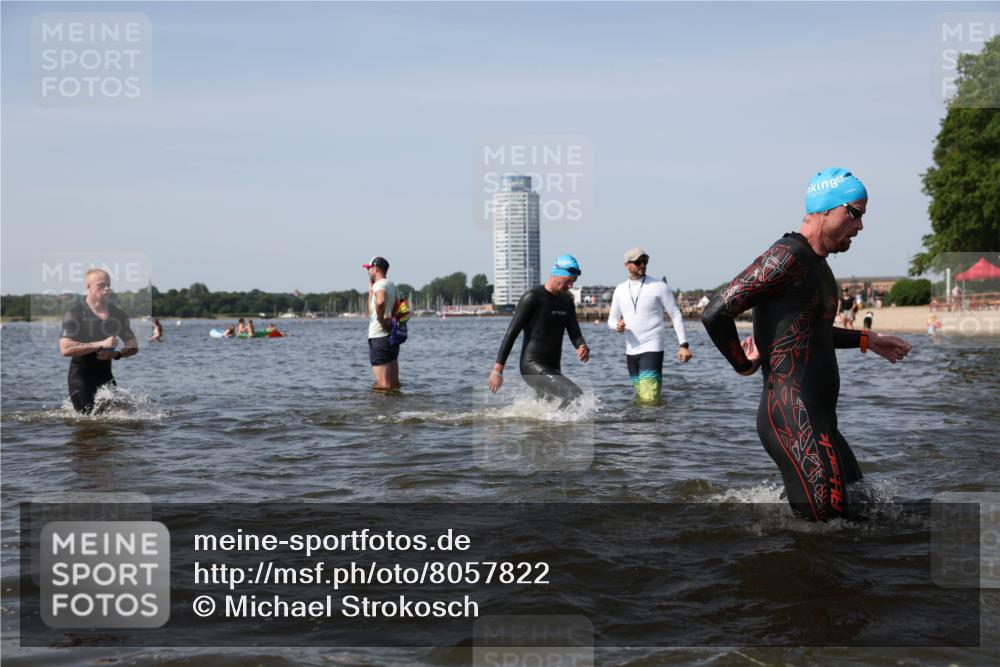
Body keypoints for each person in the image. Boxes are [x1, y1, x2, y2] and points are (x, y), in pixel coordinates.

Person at [702, 167, 912, 522]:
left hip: (820, 419)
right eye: (855, 213)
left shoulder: (817, 265)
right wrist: (743, 365)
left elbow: (811, 331)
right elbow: (715, 312)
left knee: (863, 508)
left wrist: (867, 340)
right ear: (825, 210)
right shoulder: (787, 256)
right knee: (826, 532)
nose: (860, 226)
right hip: (792, 418)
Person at [488, 254, 590, 408]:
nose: (570, 286)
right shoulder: (532, 298)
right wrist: (497, 370)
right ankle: (560, 427)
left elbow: (574, 332)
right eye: (568, 281)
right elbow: (511, 334)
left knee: (544, 410)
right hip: (531, 365)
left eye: (573, 282)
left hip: (553, 366)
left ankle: (544, 428)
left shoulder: (567, 301)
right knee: (574, 395)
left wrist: (581, 345)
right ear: (556, 274)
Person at [608, 247, 691, 402]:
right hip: (631, 351)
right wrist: (616, 326)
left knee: (649, 398)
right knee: (642, 397)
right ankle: (644, 425)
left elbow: (675, 314)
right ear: (626, 265)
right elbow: (611, 319)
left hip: (652, 348)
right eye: (638, 262)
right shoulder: (620, 289)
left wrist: (683, 345)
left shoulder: (659, 286)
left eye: (645, 261)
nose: (642, 264)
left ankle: (650, 426)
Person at [59, 268, 139, 414]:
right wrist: (101, 344)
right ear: (88, 287)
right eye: (101, 285)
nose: (107, 289)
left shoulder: (118, 314)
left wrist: (115, 354)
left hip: (105, 377)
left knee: (126, 414)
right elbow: (65, 349)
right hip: (81, 379)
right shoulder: (75, 313)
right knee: (89, 421)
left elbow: (133, 346)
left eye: (108, 285)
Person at [364, 256, 400, 390]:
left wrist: (380, 320)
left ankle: (382, 410)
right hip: (391, 337)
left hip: (379, 337)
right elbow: (371, 311)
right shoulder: (392, 285)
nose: (368, 272)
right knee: (394, 383)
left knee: (383, 385)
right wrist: (370, 291)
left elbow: (380, 301)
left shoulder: (380, 284)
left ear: (375, 268)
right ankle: (397, 409)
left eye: (369, 269)